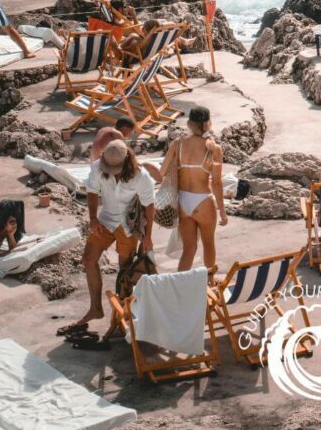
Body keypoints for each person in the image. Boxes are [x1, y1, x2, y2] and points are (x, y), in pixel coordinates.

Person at [73, 141, 155, 328]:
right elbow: (92, 191)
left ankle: (122, 318)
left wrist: (148, 237)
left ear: (126, 161)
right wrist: (93, 218)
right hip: (105, 220)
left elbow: (150, 206)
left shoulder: (141, 176)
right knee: (88, 259)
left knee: (125, 271)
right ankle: (96, 308)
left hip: (128, 224)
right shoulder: (97, 167)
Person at [158, 106, 226, 273]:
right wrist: (223, 211)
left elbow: (162, 172)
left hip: (182, 202)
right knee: (208, 244)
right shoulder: (214, 148)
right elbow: (216, 183)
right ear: (208, 123)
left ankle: (180, 286)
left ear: (189, 123)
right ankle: (209, 282)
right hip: (202, 200)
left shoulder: (178, 143)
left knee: (189, 249)